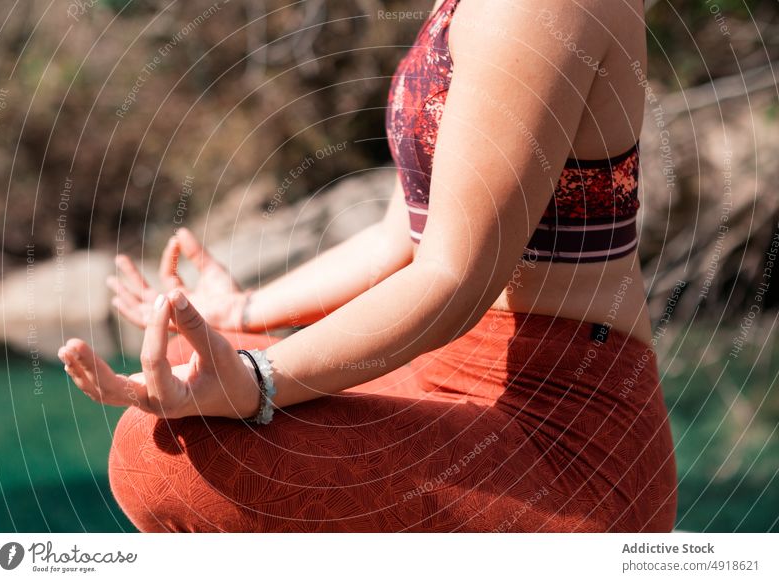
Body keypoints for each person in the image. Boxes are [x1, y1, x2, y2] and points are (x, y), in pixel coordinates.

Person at [58, 0, 677, 532]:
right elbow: (398, 239)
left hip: (564, 433)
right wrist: (238, 311)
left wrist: (255, 380)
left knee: (162, 457)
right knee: (186, 378)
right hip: (444, 375)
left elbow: (454, 278)